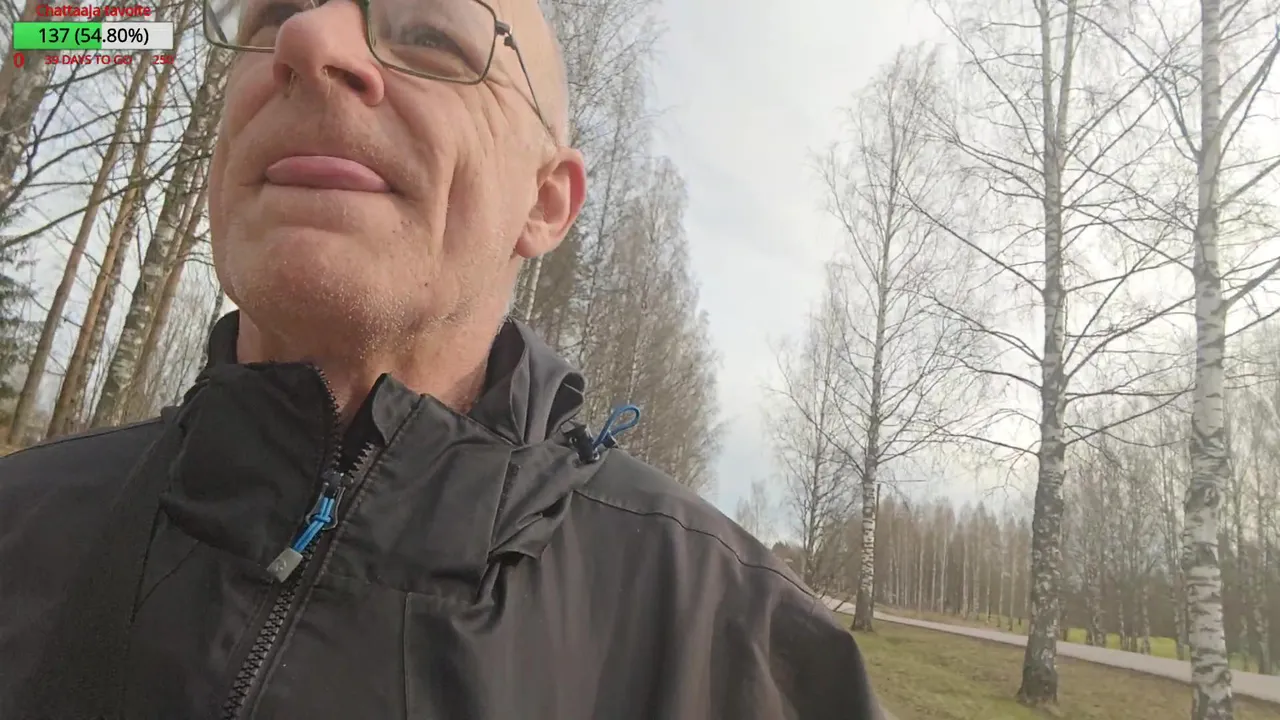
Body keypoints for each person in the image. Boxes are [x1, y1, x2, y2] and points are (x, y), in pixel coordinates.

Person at [0, 0, 882, 717]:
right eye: (272, 15)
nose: (308, 40)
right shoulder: (19, 527)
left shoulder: (740, 652)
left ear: (544, 203)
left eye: (429, 34)